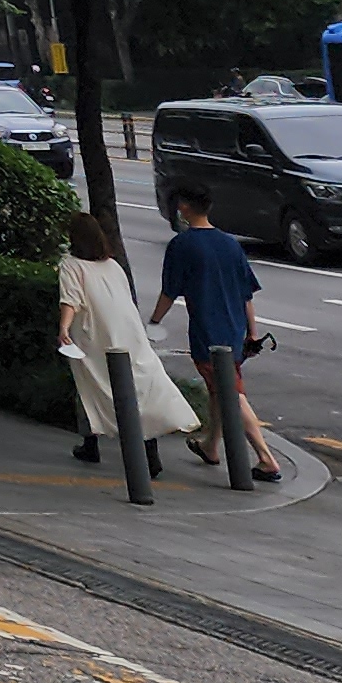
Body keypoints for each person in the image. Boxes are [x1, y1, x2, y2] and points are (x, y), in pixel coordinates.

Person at [149, 188, 281, 483]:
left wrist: (153, 322)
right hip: (235, 330)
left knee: (231, 394)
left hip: (208, 333)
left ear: (184, 208)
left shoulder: (182, 245)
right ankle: (211, 445)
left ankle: (266, 459)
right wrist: (252, 333)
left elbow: (169, 292)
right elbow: (246, 294)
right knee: (219, 390)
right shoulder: (230, 244)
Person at [57, 214, 187, 477]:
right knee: (137, 389)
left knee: (90, 385)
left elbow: (70, 300)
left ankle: (91, 443)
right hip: (128, 334)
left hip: (94, 335)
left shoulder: (71, 265)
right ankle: (150, 451)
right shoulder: (113, 266)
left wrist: (63, 328)